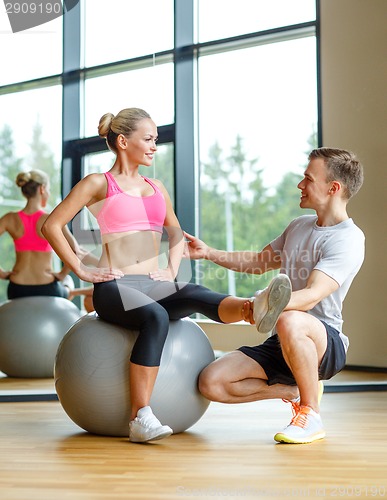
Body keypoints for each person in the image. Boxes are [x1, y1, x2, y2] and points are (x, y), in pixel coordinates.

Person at [41, 107, 289, 444]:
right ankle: (140, 417)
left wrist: (171, 270)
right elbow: (51, 225)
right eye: (149, 139)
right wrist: (82, 269)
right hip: (114, 287)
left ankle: (252, 309)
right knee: (155, 318)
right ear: (124, 141)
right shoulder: (99, 183)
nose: (155, 146)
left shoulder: (156, 187)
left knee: (196, 292)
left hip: (152, 283)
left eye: (156, 139)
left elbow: (175, 233)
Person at [184, 147, 365, 445]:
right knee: (211, 383)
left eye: (308, 178)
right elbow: (257, 263)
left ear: (333, 188)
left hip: (324, 342)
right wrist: (208, 253)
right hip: (283, 338)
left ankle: (311, 414)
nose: (300, 185)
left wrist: (266, 305)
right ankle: (291, 391)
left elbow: (311, 296)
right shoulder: (298, 227)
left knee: (292, 318)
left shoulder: (349, 238)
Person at [0, 169, 94, 312]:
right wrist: (62, 274)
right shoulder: (52, 219)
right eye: (48, 189)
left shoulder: (9, 218)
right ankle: (72, 291)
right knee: (67, 283)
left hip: (17, 288)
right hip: (47, 287)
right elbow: (75, 250)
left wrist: (1, 273)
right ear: (42, 189)